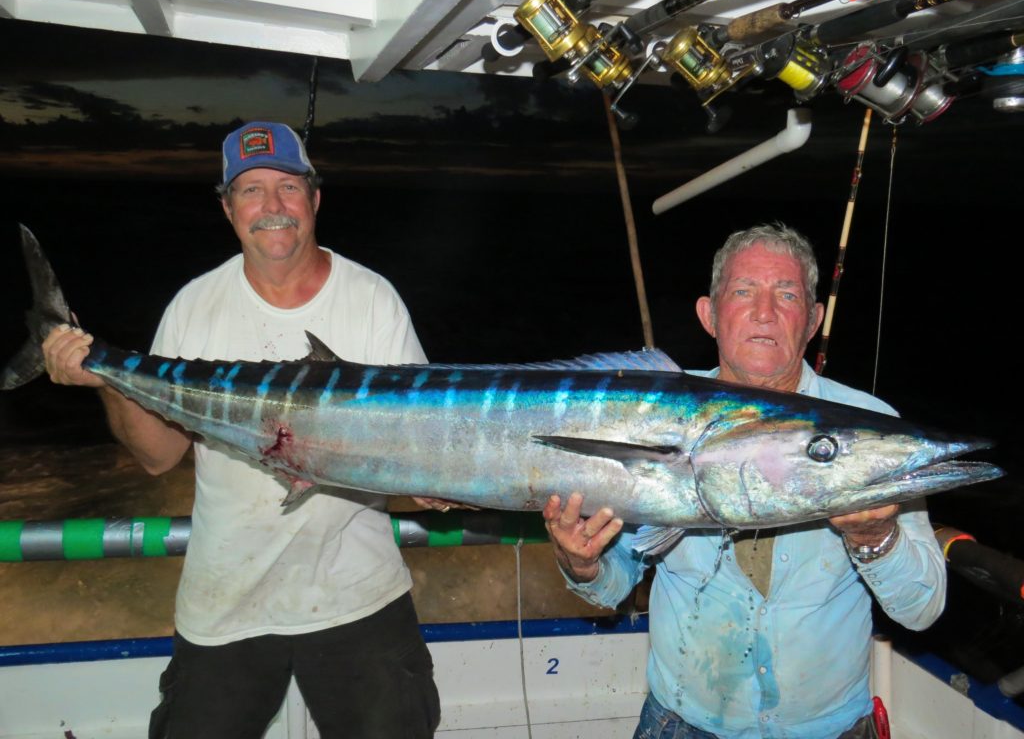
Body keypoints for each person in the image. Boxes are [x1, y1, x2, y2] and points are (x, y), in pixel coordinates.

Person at [41, 121, 443, 739]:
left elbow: (420, 443)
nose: (272, 207)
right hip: (227, 598)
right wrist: (106, 382)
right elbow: (157, 456)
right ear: (228, 208)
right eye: (252, 191)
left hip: (356, 593)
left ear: (315, 198)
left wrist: (439, 481)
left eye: (287, 186)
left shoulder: (372, 299)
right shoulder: (193, 306)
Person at [543, 223, 945, 739]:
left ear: (813, 320)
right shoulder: (643, 413)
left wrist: (876, 540)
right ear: (709, 316)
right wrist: (585, 562)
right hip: (682, 723)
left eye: (787, 294)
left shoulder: (869, 428)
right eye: (742, 291)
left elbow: (922, 609)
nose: (764, 311)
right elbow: (619, 578)